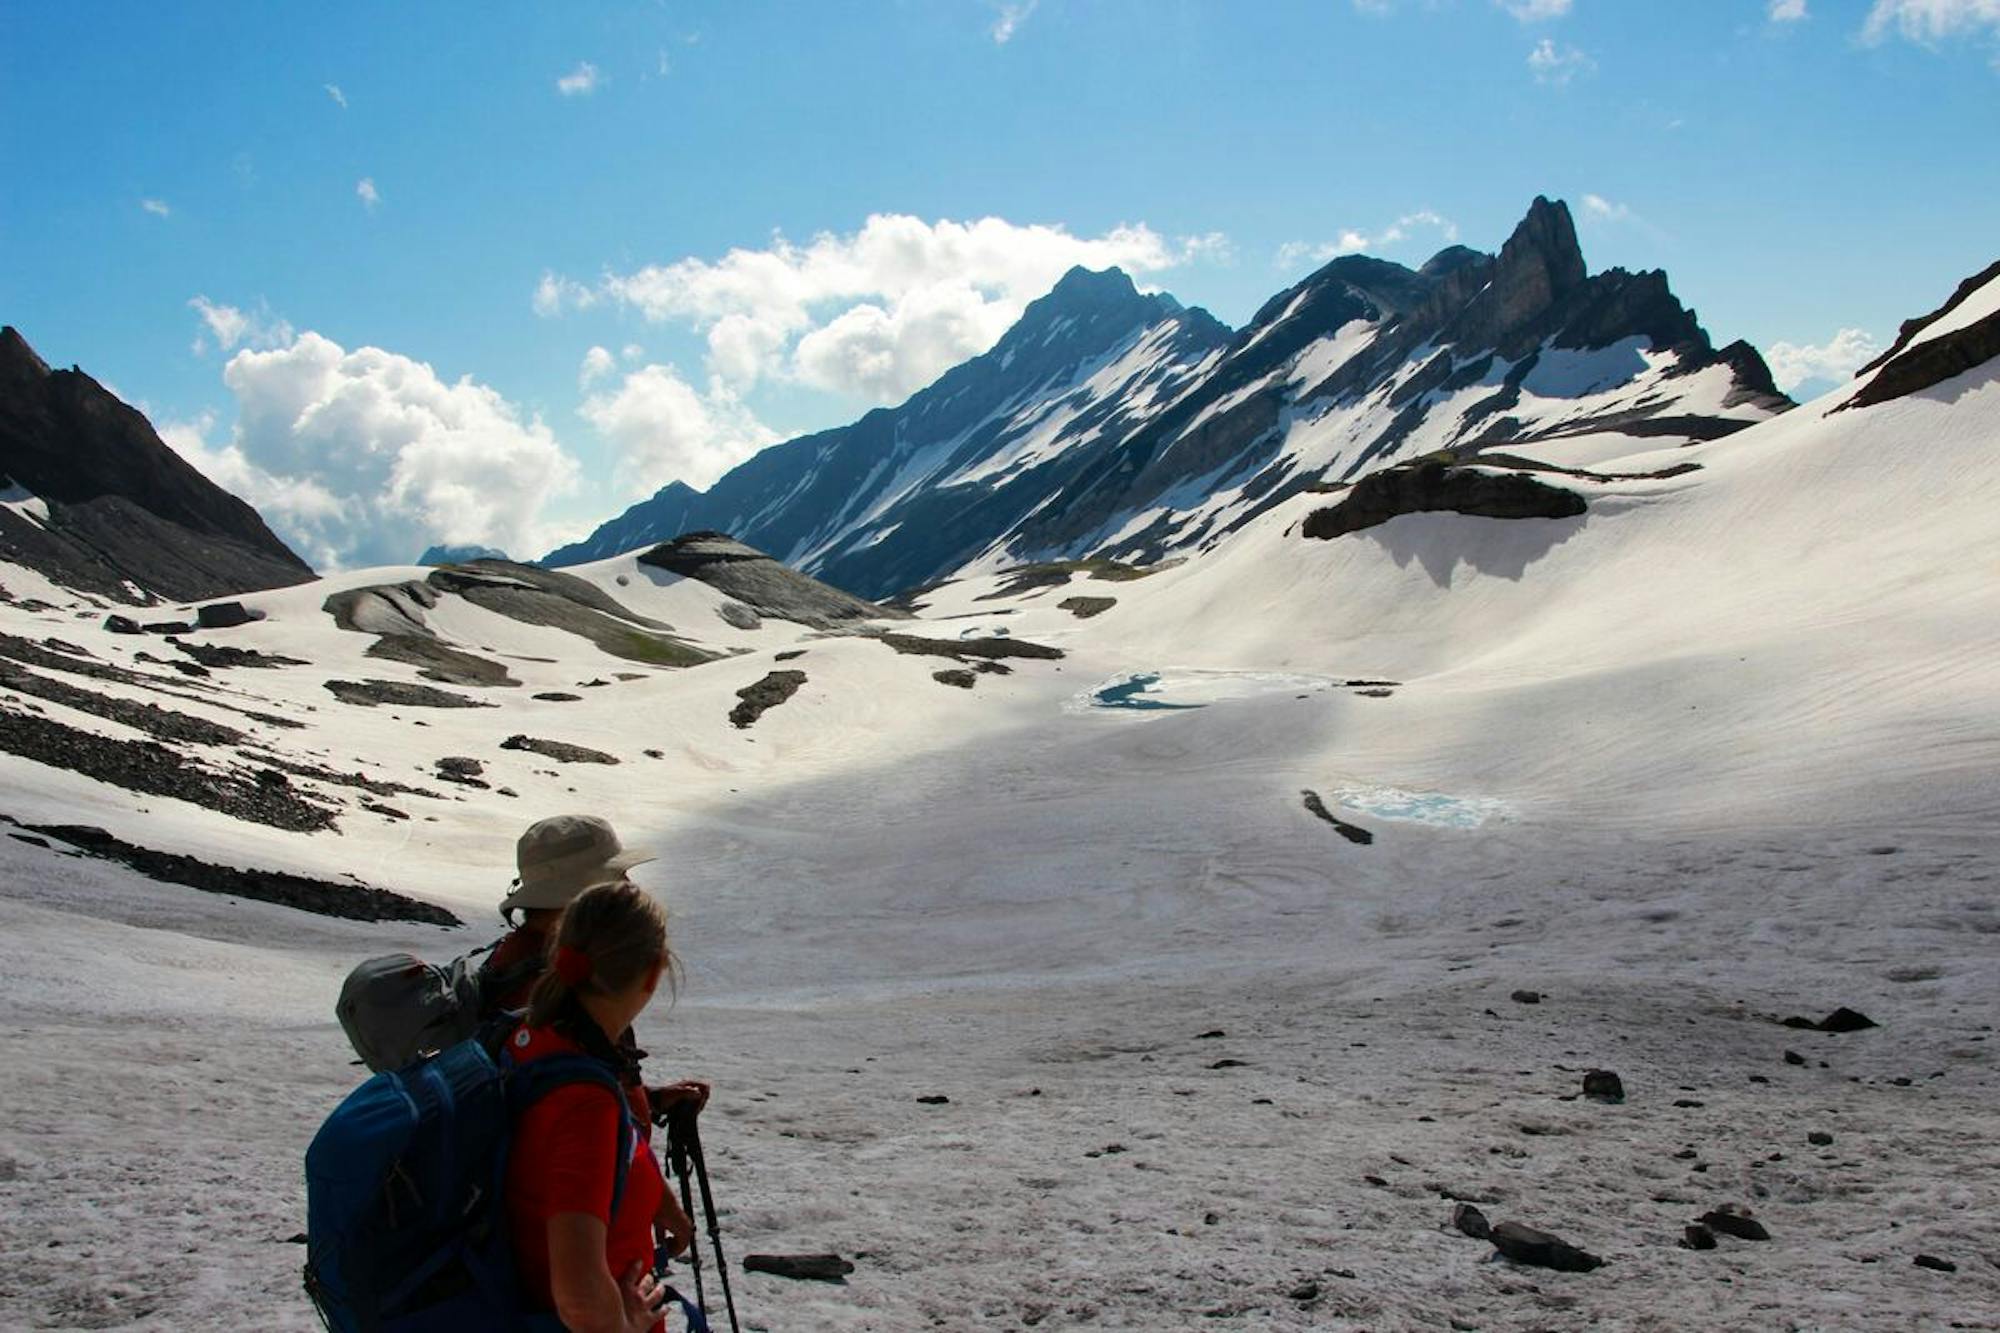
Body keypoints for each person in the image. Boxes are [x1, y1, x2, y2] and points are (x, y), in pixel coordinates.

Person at [505, 880, 707, 1333]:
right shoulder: (585, 1103)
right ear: (653, 973)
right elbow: (579, 1299)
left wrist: (657, 1198)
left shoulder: (538, 1037)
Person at [483, 815, 656, 1014]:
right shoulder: (552, 986)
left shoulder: (519, 956)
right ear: (579, 892)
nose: (628, 884)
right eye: (616, 875)